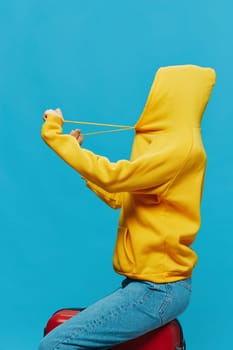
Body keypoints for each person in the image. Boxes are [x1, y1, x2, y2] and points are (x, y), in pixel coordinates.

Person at [39, 65, 216, 350]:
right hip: (149, 285)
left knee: (55, 346)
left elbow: (115, 177)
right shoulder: (172, 146)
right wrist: (80, 157)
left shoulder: (181, 149)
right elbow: (122, 197)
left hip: (159, 289)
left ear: (171, 97)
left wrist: (55, 136)